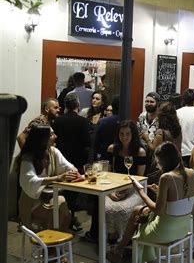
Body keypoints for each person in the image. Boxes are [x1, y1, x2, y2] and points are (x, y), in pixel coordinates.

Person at [107, 142, 194, 263]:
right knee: (140, 212)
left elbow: (158, 210)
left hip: (165, 230)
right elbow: (180, 200)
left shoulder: (166, 177)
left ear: (164, 161)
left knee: (141, 222)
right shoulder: (191, 173)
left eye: (158, 162)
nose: (158, 166)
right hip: (183, 227)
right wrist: (161, 192)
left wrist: (141, 192)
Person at [88, 121, 146, 242]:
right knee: (104, 205)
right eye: (121, 134)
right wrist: (110, 193)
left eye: (128, 134)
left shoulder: (140, 152)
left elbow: (139, 177)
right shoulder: (112, 149)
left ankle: (125, 238)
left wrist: (126, 192)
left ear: (133, 135)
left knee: (124, 209)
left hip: (133, 188)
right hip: (114, 187)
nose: (124, 137)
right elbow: (107, 173)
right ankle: (108, 236)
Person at [17, 125, 78, 231]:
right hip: (32, 201)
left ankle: (53, 243)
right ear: (41, 139)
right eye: (51, 134)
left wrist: (76, 173)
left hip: (50, 197)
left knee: (64, 212)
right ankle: (52, 245)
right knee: (56, 214)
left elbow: (68, 167)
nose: (55, 136)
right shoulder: (28, 158)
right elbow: (30, 180)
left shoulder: (53, 151)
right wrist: (58, 177)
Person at [53, 93, 91, 231]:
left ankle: (65, 217)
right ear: (78, 105)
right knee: (73, 191)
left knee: (63, 190)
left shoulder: (58, 121)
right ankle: (70, 219)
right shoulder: (83, 121)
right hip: (77, 159)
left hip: (61, 158)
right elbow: (88, 141)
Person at [137, 92, 160, 174]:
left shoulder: (161, 118)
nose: (148, 104)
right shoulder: (142, 116)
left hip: (157, 156)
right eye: (147, 101)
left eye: (151, 102)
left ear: (157, 103)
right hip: (144, 153)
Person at [92, 96, 120, 161]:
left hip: (104, 157)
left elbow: (95, 142)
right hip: (122, 158)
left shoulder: (103, 121)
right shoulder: (127, 122)